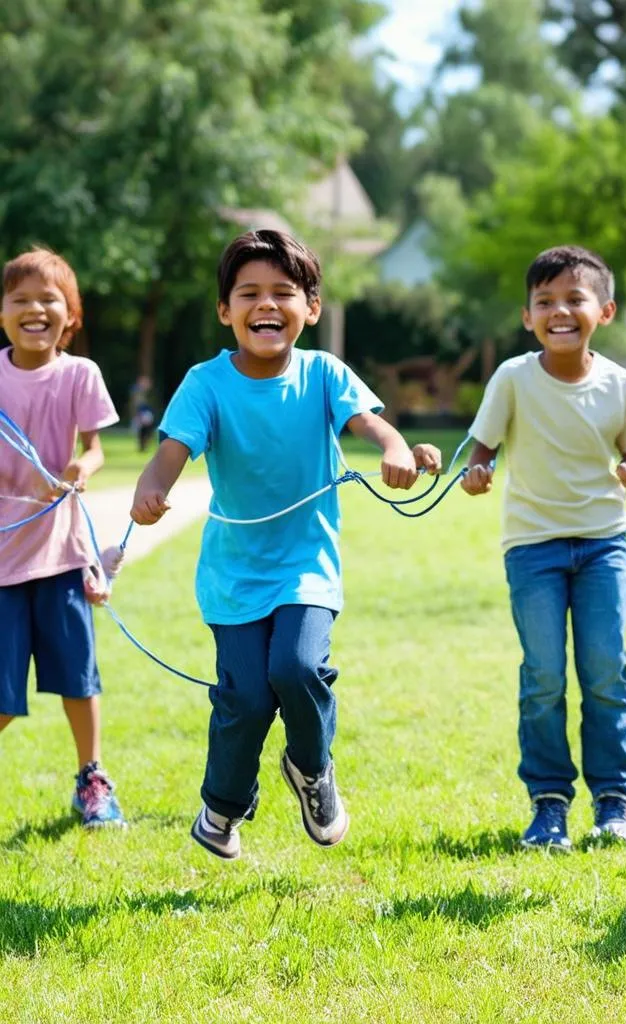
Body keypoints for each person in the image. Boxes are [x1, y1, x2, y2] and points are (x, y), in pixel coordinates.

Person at [130, 229, 441, 860]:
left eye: (283, 292)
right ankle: (222, 805)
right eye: (249, 293)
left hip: (306, 565)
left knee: (295, 670)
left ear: (312, 308)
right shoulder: (205, 383)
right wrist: (150, 488)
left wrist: (396, 449)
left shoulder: (324, 373)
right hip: (234, 574)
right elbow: (172, 451)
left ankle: (312, 768)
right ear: (225, 311)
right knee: (245, 697)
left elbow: (371, 422)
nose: (265, 304)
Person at [461, 245, 626, 851]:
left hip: (604, 546)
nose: (560, 311)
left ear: (604, 310)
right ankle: (549, 804)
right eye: (545, 302)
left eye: (574, 299)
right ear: (527, 317)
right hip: (532, 549)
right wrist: (476, 472)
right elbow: (481, 450)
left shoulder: (621, 384)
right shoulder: (513, 378)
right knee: (544, 675)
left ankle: (615, 801)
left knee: (605, 670)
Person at [0, 248, 126, 828]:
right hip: (3, 556)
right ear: (2, 313)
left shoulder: (81, 374)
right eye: (20, 300)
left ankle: (92, 779)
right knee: (3, 690)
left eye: (48, 299)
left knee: (78, 674)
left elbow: (96, 448)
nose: (34, 310)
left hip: (60, 552)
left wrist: (82, 468)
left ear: (70, 314)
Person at [129, 375, 156, 452]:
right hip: (142, 413)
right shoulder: (137, 391)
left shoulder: (148, 392)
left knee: (147, 430)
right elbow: (135, 404)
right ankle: (142, 446)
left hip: (146, 412)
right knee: (142, 430)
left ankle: (144, 446)